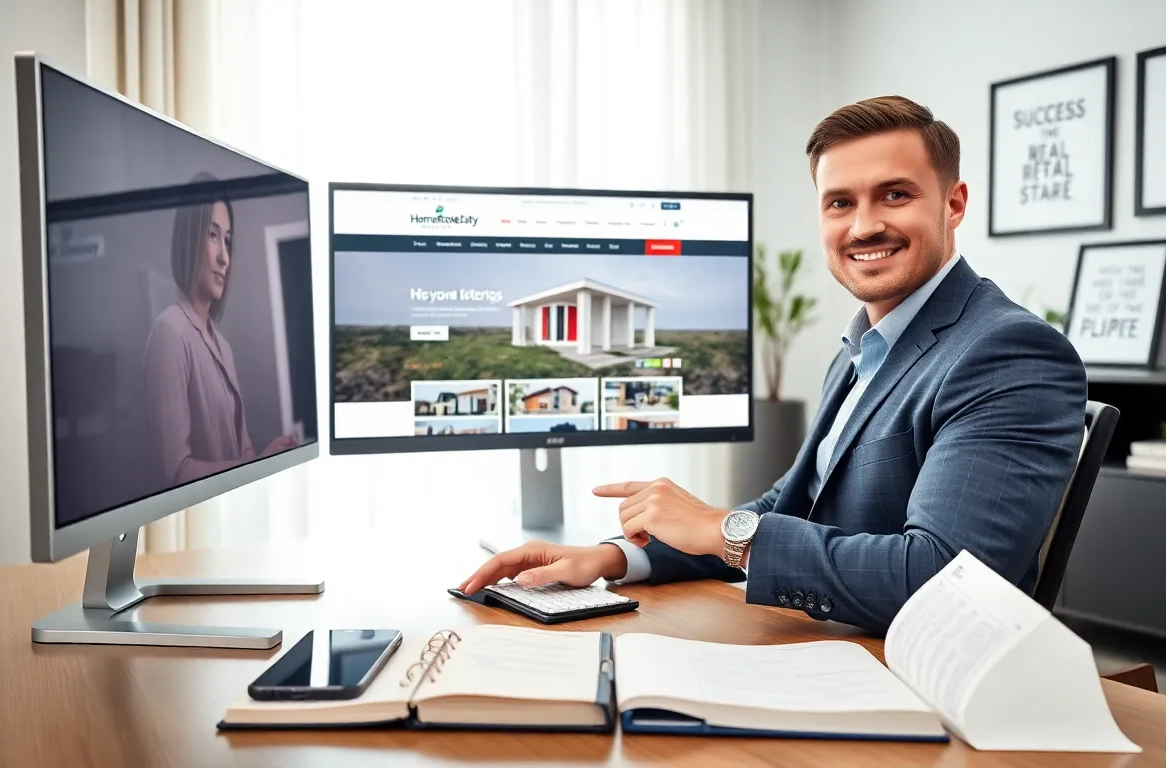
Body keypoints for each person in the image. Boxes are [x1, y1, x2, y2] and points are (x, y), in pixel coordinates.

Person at [459, 96, 1088, 633]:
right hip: (830, 647)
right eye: (839, 203)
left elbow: (945, 580)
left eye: (894, 195)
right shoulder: (867, 344)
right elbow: (795, 504)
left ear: (953, 204)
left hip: (909, 681)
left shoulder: (1008, 353)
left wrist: (724, 530)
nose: (864, 225)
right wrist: (613, 559)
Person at [142, 173, 297, 486]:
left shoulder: (223, 347)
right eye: (212, 236)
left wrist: (267, 459)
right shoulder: (169, 333)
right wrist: (255, 464)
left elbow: (244, 455)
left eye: (227, 240)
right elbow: (175, 471)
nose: (224, 257)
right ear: (189, 238)